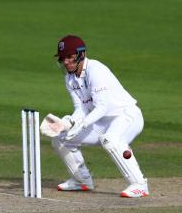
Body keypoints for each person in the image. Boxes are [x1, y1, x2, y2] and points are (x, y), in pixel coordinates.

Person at [50, 35, 148, 198]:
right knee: (60, 138)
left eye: (69, 57)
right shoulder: (69, 78)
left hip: (126, 115)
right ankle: (82, 180)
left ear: (81, 54)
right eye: (62, 58)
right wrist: (69, 122)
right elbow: (80, 108)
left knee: (110, 139)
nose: (65, 62)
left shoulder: (96, 70)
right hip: (100, 122)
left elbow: (102, 107)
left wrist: (82, 124)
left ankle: (140, 184)